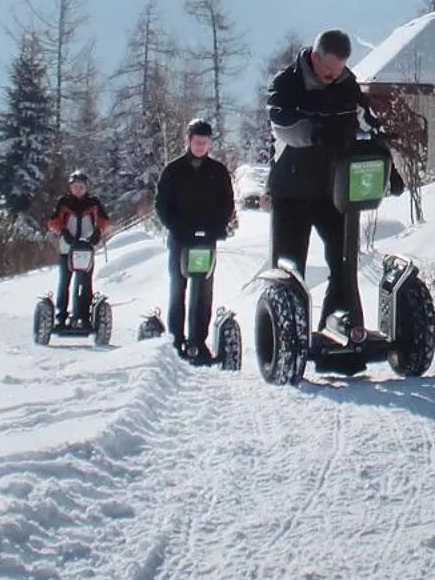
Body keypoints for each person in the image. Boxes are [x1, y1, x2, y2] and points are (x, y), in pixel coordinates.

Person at [266, 28, 404, 328]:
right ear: (315, 57)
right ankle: (289, 339)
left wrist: (389, 169)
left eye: (338, 70)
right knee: (289, 271)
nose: (333, 75)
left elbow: (371, 126)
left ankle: (339, 332)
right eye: (328, 69)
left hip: (334, 190)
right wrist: (315, 133)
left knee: (344, 264)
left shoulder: (346, 85)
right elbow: (281, 126)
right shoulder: (287, 83)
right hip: (291, 190)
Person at [154, 118, 238, 361]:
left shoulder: (218, 171)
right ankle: (176, 341)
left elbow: (227, 204)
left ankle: (198, 341)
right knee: (178, 289)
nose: (201, 146)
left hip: (206, 239)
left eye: (205, 142)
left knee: (203, 290)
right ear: (189, 141)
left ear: (209, 143)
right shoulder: (173, 170)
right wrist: (176, 227)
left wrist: (217, 227)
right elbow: (162, 205)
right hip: (181, 238)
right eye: (197, 141)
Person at [45, 170, 113, 324]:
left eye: (81, 187)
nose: (78, 190)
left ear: (86, 188)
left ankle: (82, 315)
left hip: (86, 249)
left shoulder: (94, 203)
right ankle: (61, 315)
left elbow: (104, 221)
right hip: (66, 249)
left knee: (85, 283)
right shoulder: (63, 203)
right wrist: (62, 231)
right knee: (64, 282)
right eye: (75, 187)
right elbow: (52, 222)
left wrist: (98, 232)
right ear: (70, 188)